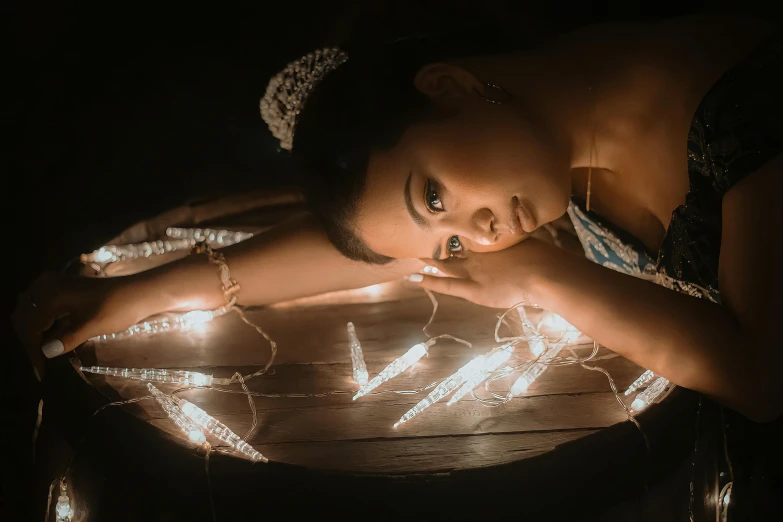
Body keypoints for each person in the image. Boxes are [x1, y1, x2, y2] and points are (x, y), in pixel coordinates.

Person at [13, 12, 782, 424]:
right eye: (446, 239)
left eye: (435, 197)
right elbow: (374, 250)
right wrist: (132, 296)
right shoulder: (535, 154)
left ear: (446, 84)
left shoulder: (735, 105)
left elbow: (762, 379)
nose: (478, 239)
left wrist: (544, 275)